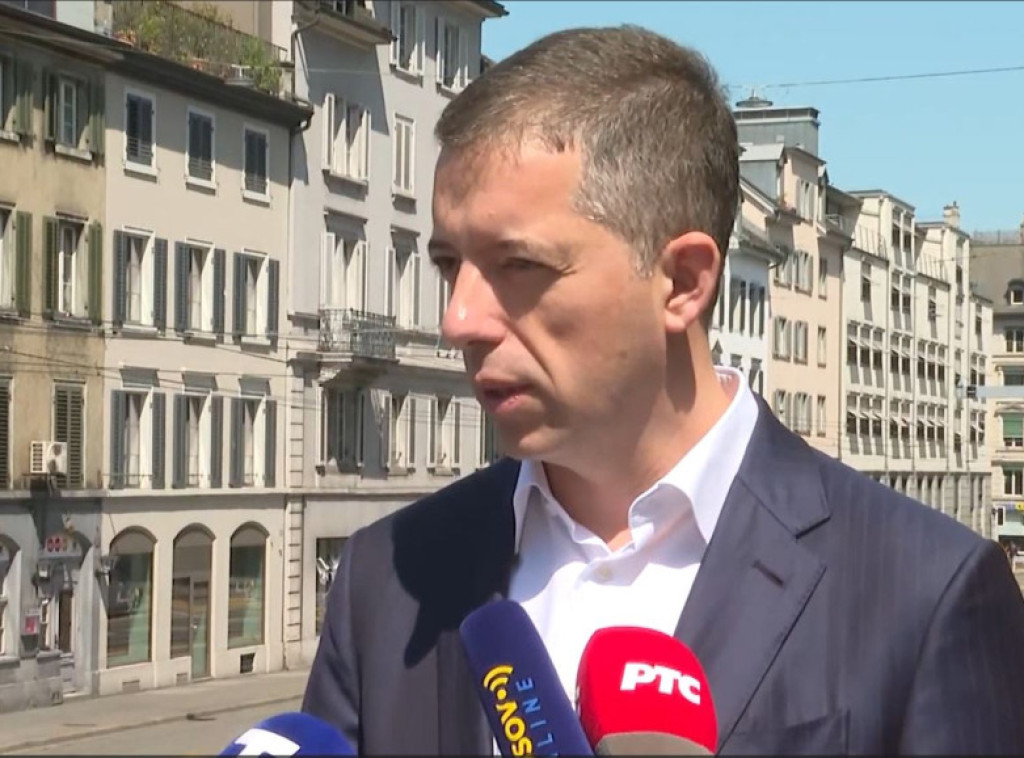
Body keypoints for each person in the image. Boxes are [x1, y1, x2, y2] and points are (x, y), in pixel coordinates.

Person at [303, 25, 1024, 755]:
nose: (458, 319)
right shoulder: (387, 575)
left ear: (682, 281)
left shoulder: (924, 594)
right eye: (448, 264)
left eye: (518, 265)